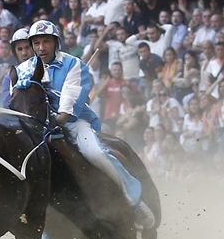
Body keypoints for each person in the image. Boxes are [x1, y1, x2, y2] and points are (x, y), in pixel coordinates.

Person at [13, 20, 154, 228]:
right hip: (36, 128)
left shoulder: (73, 64)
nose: (41, 48)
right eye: (36, 43)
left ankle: (133, 199)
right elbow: (17, 99)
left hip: (72, 122)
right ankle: (41, 234)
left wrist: (57, 118)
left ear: (56, 42)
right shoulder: (23, 69)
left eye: (46, 42)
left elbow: (70, 99)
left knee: (95, 153)